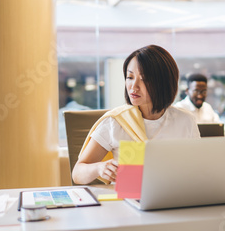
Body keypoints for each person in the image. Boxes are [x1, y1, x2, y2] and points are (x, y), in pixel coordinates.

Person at [72, 45, 200, 185]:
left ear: (163, 82)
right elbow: (77, 173)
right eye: (130, 77)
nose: (133, 86)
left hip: (176, 198)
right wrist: (98, 168)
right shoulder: (116, 122)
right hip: (128, 202)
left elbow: (198, 169)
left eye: (144, 79)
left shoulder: (186, 121)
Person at [174, 73, 225, 137]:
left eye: (204, 91)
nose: (200, 96)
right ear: (187, 91)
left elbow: (220, 128)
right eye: (196, 91)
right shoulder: (179, 109)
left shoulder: (207, 108)